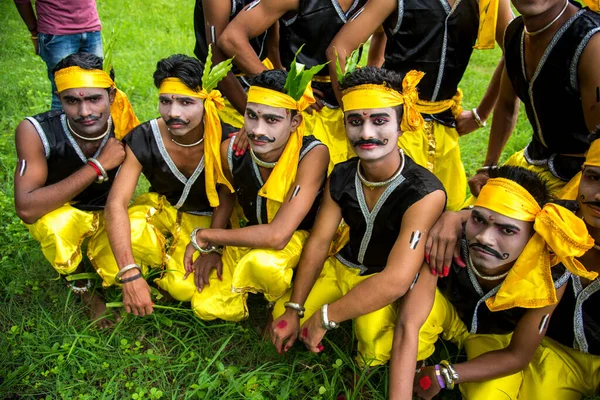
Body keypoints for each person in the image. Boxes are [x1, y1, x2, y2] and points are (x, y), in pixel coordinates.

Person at [270, 67, 446, 366]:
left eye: (379, 121)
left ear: (401, 125)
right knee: (281, 317)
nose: (366, 134)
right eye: (355, 121)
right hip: (345, 266)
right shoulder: (342, 174)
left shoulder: (425, 192)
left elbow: (396, 280)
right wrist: (295, 306)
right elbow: (320, 241)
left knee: (375, 346)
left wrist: (325, 317)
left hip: (384, 275)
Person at [389, 166, 595, 399]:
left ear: (533, 235)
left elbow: (517, 355)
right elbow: (410, 322)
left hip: (495, 340)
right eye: (478, 219)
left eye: (507, 230)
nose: (484, 237)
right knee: (382, 319)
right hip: (445, 314)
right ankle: (397, 368)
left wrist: (445, 375)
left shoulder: (549, 276)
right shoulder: (449, 238)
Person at [325, 0, 516, 211]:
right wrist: (354, 111)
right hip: (396, 126)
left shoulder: (489, 2)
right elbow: (339, 49)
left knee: (448, 206)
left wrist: (481, 114)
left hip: (444, 125)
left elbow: (516, 49)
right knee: (388, 207)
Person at [88, 52, 234, 317]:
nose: (173, 112)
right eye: (165, 101)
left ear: (207, 102)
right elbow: (117, 203)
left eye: (186, 102)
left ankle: (165, 266)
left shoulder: (225, 139)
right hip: (162, 210)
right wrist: (129, 273)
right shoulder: (145, 137)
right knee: (114, 255)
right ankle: (151, 263)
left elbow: (226, 196)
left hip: (210, 223)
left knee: (185, 288)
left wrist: (213, 246)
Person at [184, 67, 329, 322]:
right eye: (252, 116)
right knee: (204, 306)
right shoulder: (232, 150)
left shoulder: (313, 155)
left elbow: (277, 236)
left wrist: (206, 236)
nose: (258, 130)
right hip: (251, 234)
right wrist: (214, 250)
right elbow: (226, 195)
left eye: (272, 120)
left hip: (296, 239)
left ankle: (280, 295)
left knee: (265, 266)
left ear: (295, 122)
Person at [13, 52, 139, 327]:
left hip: (111, 214)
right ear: (60, 99)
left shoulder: (126, 125)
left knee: (145, 237)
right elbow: (27, 208)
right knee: (55, 225)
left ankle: (104, 257)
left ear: (112, 96)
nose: (85, 112)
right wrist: (97, 166)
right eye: (72, 101)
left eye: (94, 99)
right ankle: (84, 290)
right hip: (64, 213)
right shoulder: (35, 131)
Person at [468, 0, 600, 199]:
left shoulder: (591, 42)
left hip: (584, 176)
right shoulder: (515, 32)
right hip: (534, 161)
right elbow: (505, 105)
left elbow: (598, 143)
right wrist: (489, 167)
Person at [218, 0, 367, 171]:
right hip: (304, 109)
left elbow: (381, 39)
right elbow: (231, 38)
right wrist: (286, 87)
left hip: (349, 105)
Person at [519, 133, 600, 399]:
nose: (598, 195)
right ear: (581, 174)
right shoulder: (550, 217)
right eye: (593, 178)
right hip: (556, 353)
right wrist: (452, 218)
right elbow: (496, 218)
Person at [193, 0, 280, 129]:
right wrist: (253, 117)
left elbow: (272, 32)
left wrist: (283, 80)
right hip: (227, 86)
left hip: (261, 72)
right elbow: (218, 65)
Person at [13, 0, 103, 109]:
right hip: (57, 32)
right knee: (64, 95)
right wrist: (33, 31)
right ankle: (59, 126)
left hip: (91, 28)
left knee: (96, 90)